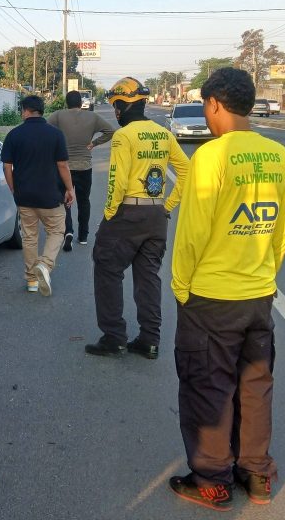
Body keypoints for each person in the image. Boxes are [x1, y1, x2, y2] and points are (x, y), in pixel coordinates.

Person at [168, 67, 285, 511]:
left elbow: (193, 232)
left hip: (211, 298)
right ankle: (256, 473)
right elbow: (284, 228)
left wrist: (181, 286)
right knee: (255, 384)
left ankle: (212, 480)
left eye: (205, 107)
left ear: (214, 104)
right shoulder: (280, 156)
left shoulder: (211, 156)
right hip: (258, 296)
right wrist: (266, 276)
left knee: (208, 386)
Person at [86, 77, 189, 359]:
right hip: (156, 215)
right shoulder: (163, 134)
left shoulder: (124, 136)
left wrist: (109, 216)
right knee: (148, 277)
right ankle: (149, 340)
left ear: (122, 106)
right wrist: (167, 206)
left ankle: (114, 337)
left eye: (116, 106)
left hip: (127, 213)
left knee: (107, 269)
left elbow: (117, 182)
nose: (115, 111)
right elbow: (187, 171)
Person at [0, 95, 76, 296]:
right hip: (51, 196)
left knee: (30, 237)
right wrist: (70, 189)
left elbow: (7, 167)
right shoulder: (55, 134)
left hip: (24, 196)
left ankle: (32, 280)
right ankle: (45, 264)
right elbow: (62, 165)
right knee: (57, 231)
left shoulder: (14, 134)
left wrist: (14, 189)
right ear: (41, 111)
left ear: (25, 111)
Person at [47, 90, 114, 250]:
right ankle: (83, 236)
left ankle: (68, 231)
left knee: (65, 200)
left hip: (64, 167)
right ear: (81, 103)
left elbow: (45, 130)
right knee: (84, 201)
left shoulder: (58, 115)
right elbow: (111, 131)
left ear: (66, 103)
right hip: (85, 166)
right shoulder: (92, 117)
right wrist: (94, 143)